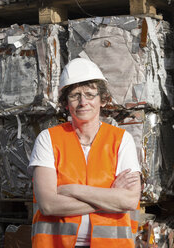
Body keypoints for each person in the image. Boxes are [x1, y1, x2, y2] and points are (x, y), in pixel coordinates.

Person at [28, 58, 141, 248]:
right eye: (75, 95)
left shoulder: (121, 140)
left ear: (102, 100)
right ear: (66, 103)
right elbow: (48, 204)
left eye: (90, 95)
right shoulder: (48, 139)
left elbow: (129, 200)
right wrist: (110, 197)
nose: (83, 102)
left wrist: (73, 190)